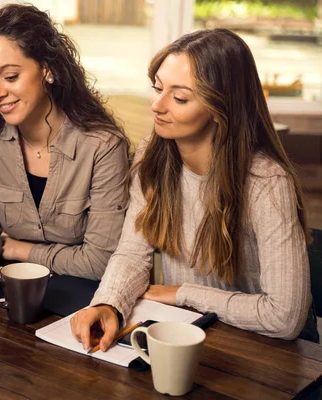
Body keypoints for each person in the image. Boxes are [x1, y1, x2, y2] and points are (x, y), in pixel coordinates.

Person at [71, 28, 318, 350]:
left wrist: (182, 293)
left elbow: (284, 318)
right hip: (190, 332)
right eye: (157, 88)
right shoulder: (152, 155)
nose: (157, 106)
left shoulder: (267, 183)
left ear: (220, 107)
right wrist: (107, 303)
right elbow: (133, 252)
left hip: (269, 349)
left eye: (180, 97)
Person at [0, 4, 129, 320]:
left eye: (10, 76)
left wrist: (19, 250)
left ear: (47, 69)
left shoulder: (103, 146)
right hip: (7, 295)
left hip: (84, 303)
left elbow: (101, 260)